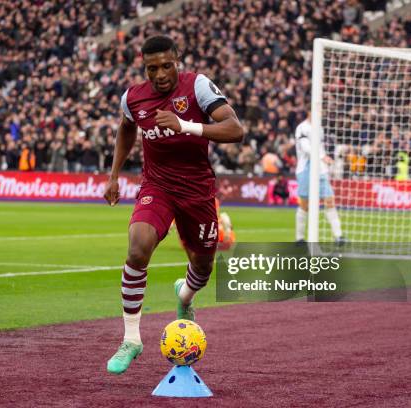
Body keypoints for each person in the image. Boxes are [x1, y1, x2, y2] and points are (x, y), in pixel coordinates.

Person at [104, 35, 243, 375]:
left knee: (204, 264)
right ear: (144, 68)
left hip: (197, 190)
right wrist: (114, 174)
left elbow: (235, 129)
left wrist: (186, 125)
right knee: (137, 249)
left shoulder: (197, 87)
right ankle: (132, 339)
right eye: (152, 68)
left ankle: (184, 296)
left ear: (176, 60)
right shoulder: (133, 98)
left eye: (167, 65)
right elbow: (126, 129)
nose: (161, 74)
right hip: (158, 185)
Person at [294, 110, 345, 244]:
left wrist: (324, 162)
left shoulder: (320, 128)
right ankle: (299, 238)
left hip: (320, 170)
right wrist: (322, 157)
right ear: (309, 112)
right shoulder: (302, 128)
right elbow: (306, 148)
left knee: (330, 200)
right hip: (305, 169)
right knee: (304, 205)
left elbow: (320, 148)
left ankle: (338, 236)